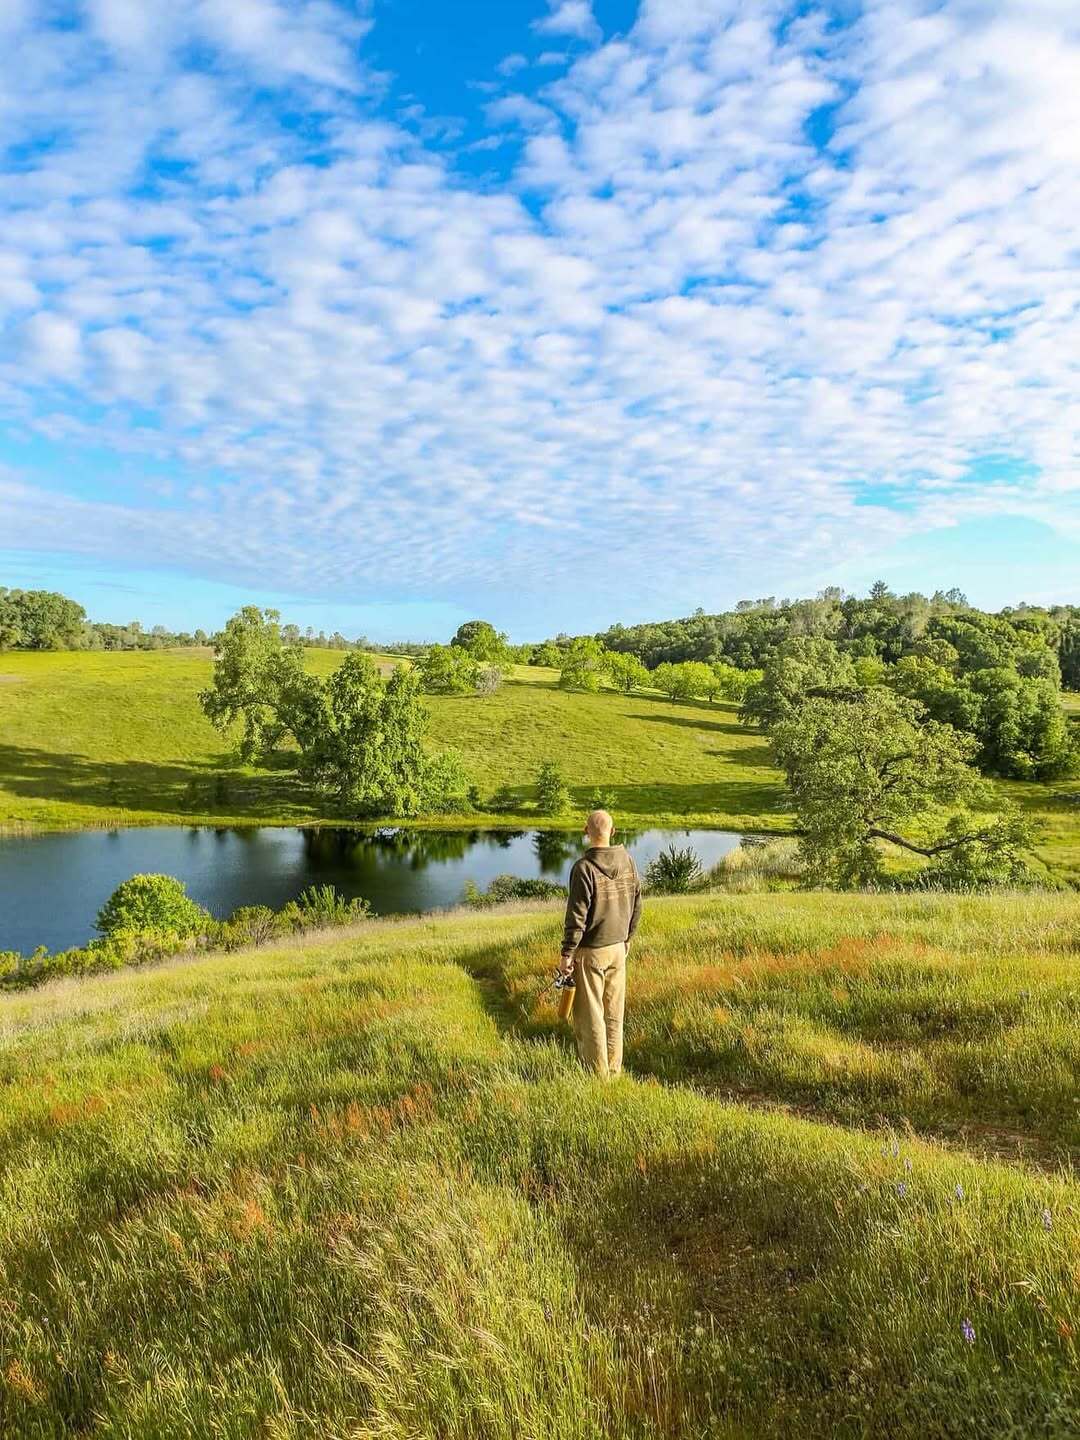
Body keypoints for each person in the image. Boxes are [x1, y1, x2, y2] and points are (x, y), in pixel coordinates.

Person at [559, 809, 642, 1078]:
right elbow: (637, 903)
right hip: (618, 948)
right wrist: (628, 938)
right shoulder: (628, 861)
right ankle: (614, 1070)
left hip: (590, 952)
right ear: (613, 831)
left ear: (586, 831)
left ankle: (598, 1077)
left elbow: (576, 916)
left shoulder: (583, 868)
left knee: (590, 1015)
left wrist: (567, 954)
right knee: (614, 1013)